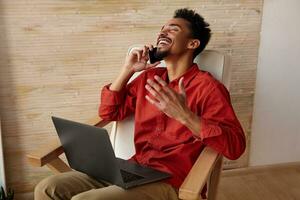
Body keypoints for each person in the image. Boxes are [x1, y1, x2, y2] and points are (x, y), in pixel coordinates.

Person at [35, 8, 246, 200]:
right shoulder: (150, 78)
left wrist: (185, 116)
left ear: (192, 43)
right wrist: (128, 70)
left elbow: (235, 146)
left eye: (173, 29)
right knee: (47, 188)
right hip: (133, 169)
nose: (162, 32)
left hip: (170, 181)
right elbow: (110, 112)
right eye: (162, 29)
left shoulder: (208, 88)